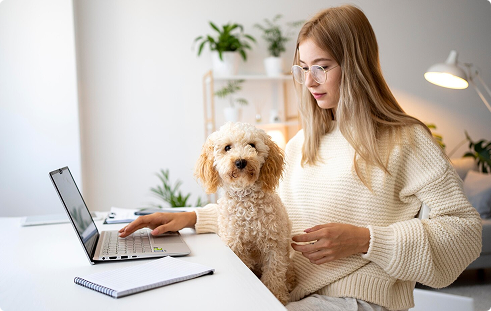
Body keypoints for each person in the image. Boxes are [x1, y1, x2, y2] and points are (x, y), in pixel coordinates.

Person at [119, 5, 482, 311]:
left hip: (357, 300)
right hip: (295, 293)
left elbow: (464, 234)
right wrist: (191, 217)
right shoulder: (306, 141)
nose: (309, 81)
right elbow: (266, 210)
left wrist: (366, 240)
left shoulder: (406, 140)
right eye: (303, 68)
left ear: (355, 66)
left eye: (322, 67)